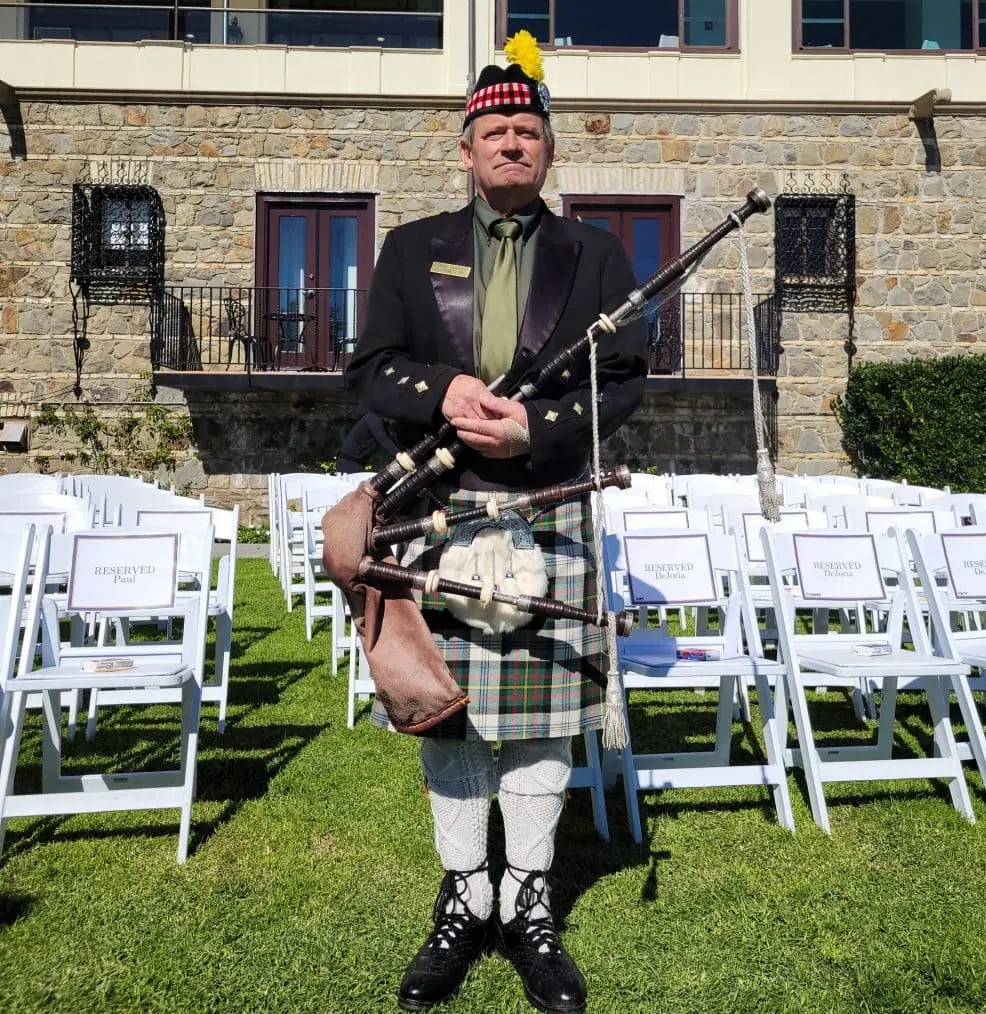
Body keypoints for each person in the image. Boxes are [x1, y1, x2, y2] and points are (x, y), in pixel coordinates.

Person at [345, 31, 648, 1014]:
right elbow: (371, 369)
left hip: (548, 499)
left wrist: (536, 426)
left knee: (544, 723)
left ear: (548, 147)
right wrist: (446, 390)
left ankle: (527, 900)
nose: (512, 143)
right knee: (446, 711)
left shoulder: (596, 256)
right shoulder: (407, 248)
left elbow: (628, 381)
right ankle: (462, 892)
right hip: (436, 512)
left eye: (527, 128)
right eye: (496, 130)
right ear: (467, 149)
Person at [334, 411, 398, 474]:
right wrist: (399, 454)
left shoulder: (383, 424)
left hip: (357, 463)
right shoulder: (373, 417)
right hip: (348, 462)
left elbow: (390, 441)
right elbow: (383, 439)